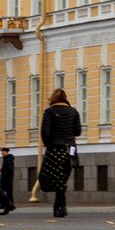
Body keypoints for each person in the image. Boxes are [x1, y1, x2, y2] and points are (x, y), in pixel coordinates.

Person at [39, 87, 83, 218]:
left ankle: (59, 207)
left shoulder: (49, 112)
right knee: (63, 177)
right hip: (70, 148)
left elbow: (44, 133)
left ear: (53, 99)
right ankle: (60, 207)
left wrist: (49, 145)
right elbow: (78, 131)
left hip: (54, 148)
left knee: (58, 178)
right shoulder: (73, 112)